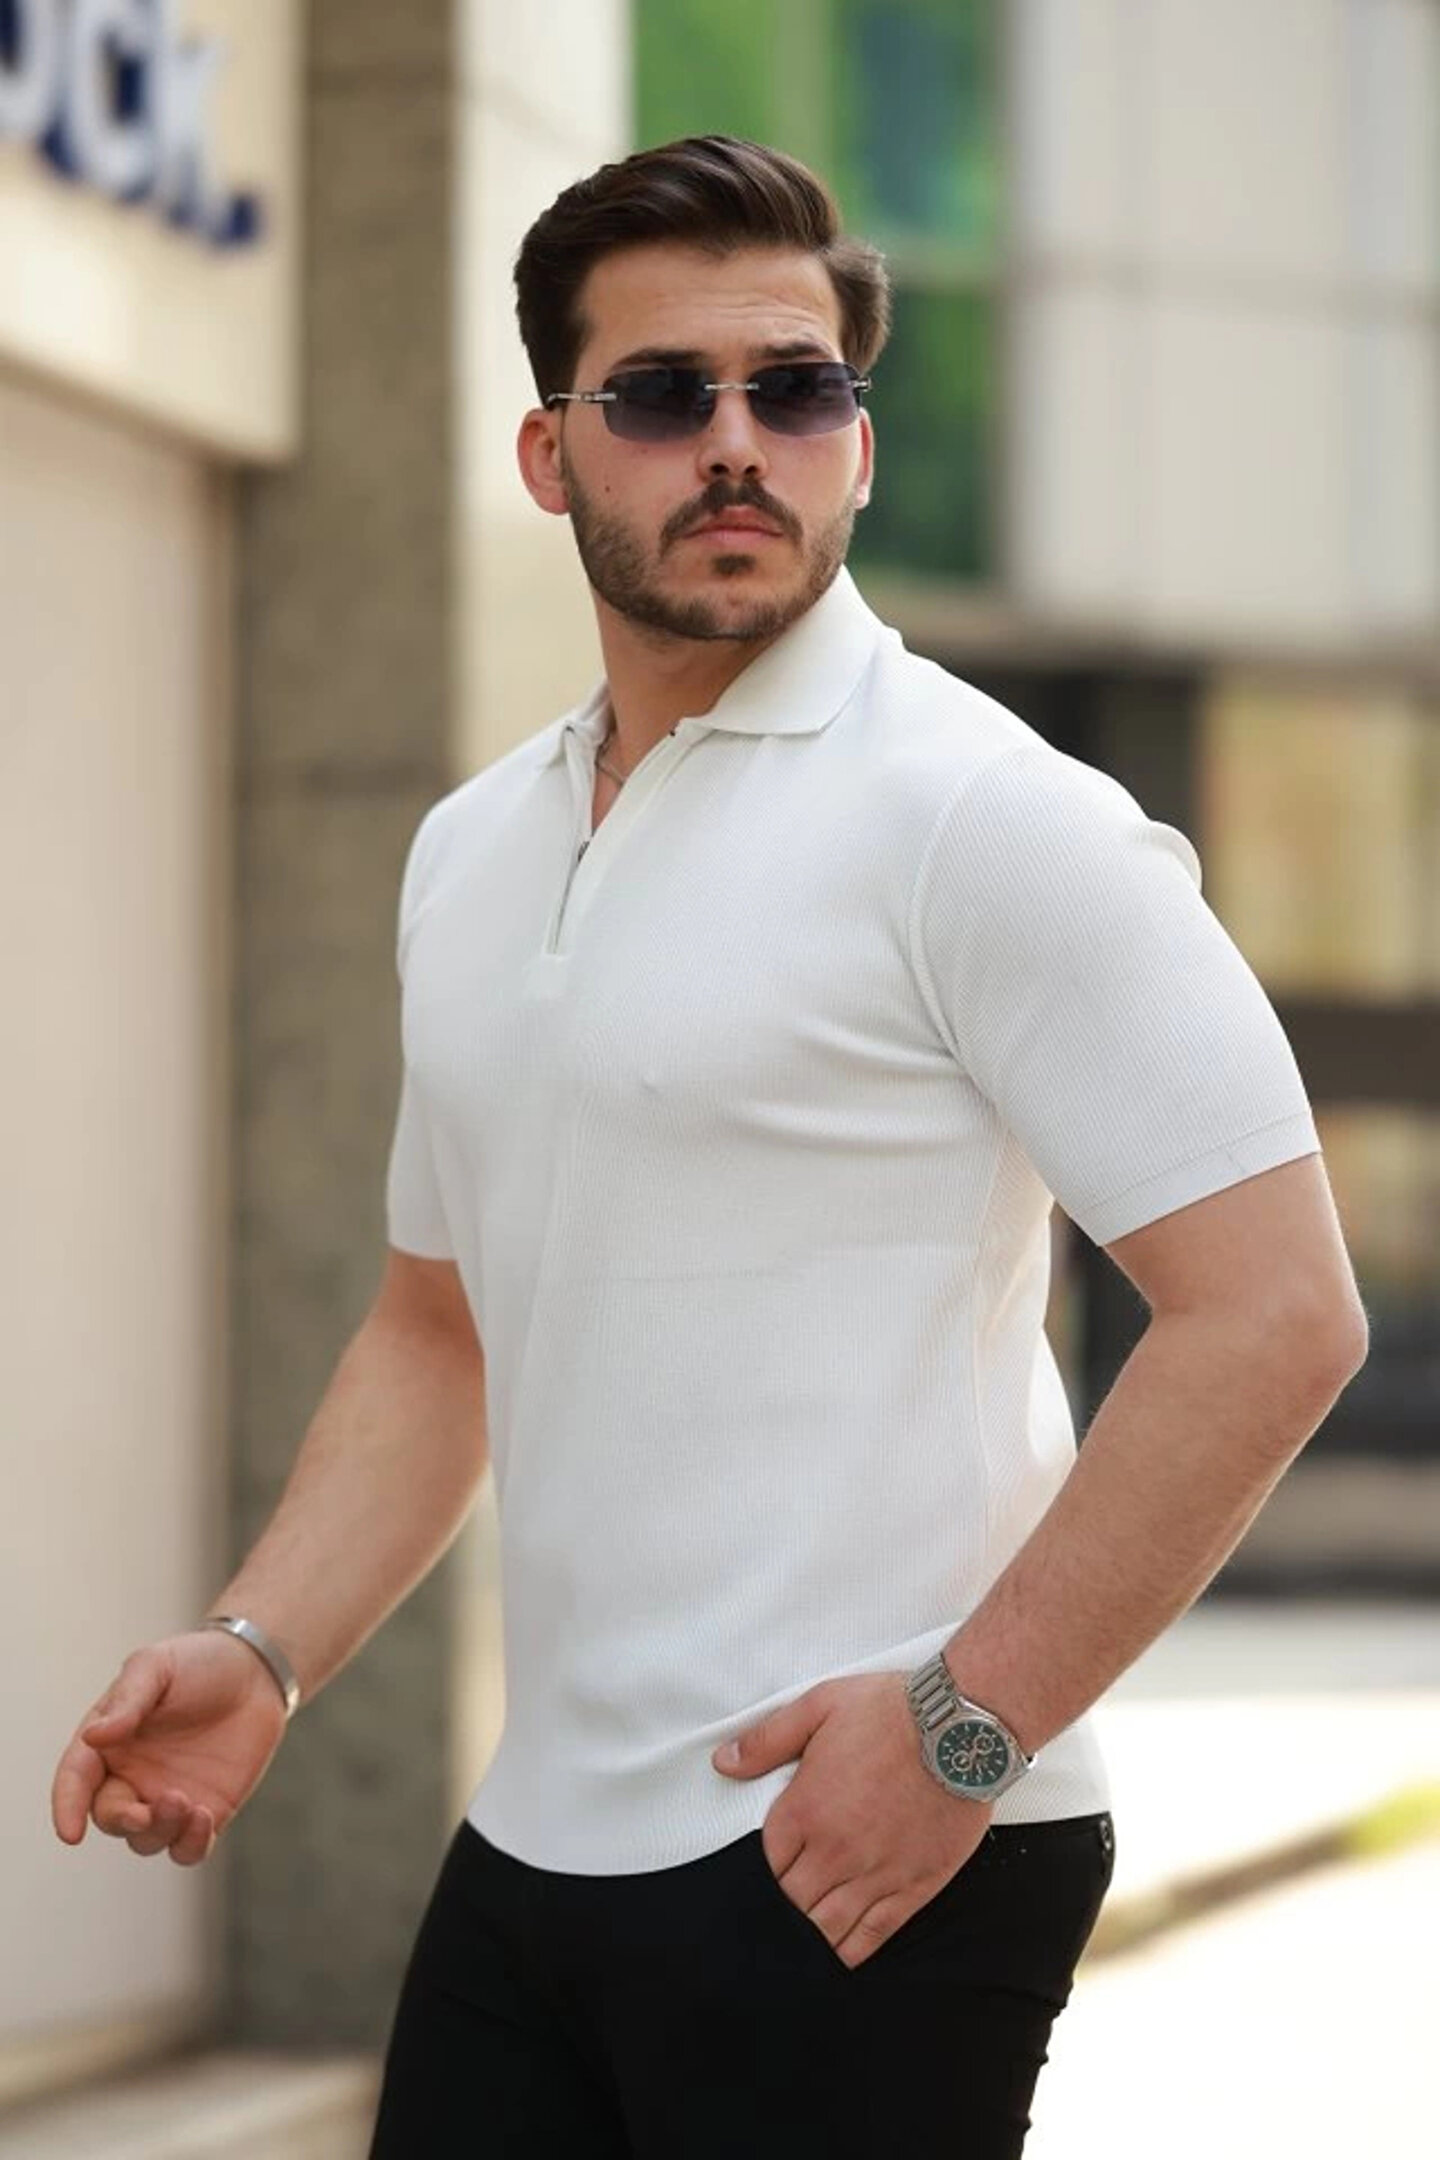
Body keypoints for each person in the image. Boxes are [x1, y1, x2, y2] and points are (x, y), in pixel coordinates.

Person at [51, 135, 1368, 2158]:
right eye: (665, 395)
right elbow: (439, 1329)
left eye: (796, 389)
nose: (738, 443)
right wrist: (263, 1649)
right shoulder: (472, 849)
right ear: (549, 451)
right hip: (538, 1835)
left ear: (859, 443)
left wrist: (963, 1729)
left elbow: (1274, 1314)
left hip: (864, 1831)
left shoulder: (987, 818)